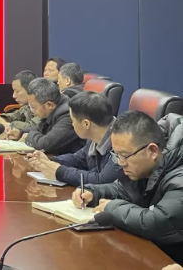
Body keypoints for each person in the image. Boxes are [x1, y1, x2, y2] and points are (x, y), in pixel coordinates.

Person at [72, 111, 183, 264]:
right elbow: (122, 189)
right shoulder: (146, 167)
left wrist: (111, 207)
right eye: (116, 155)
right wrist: (93, 192)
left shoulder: (179, 175)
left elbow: (158, 223)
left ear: (152, 151)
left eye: (124, 155)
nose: (120, 163)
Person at [27, 92, 121, 186]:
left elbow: (102, 180)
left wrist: (60, 172)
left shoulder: (121, 143)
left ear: (86, 124)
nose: (72, 125)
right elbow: (78, 159)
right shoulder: (94, 137)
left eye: (73, 120)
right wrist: (49, 161)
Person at [8, 78, 84, 155]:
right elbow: (40, 128)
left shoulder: (68, 114)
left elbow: (45, 145)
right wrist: (20, 132)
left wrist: (28, 136)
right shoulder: (54, 105)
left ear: (49, 105)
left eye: (33, 107)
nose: (32, 111)